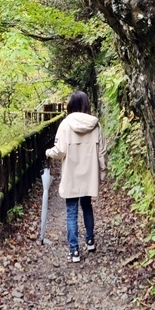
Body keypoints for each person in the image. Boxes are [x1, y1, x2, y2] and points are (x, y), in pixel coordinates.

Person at [46, 90, 108, 263]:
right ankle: (90, 241)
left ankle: (74, 251)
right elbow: (102, 152)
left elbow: (60, 151)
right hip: (88, 175)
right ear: (86, 104)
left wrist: (48, 152)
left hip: (71, 175)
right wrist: (103, 173)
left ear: (70, 105)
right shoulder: (96, 125)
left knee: (71, 211)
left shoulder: (65, 125)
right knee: (87, 206)